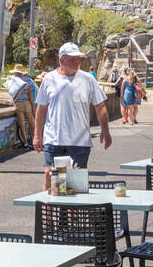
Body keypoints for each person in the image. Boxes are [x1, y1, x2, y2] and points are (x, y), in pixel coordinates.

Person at [32, 43, 111, 191]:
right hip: (53, 138)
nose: (77, 62)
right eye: (73, 59)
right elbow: (41, 108)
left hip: (79, 141)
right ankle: (47, 212)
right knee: (50, 174)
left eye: (79, 59)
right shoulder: (49, 79)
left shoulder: (88, 79)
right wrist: (37, 135)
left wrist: (105, 131)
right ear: (61, 60)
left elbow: (100, 106)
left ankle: (71, 214)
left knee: (74, 183)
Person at [5, 64, 37, 149]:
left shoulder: (11, 81)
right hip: (27, 103)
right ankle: (34, 141)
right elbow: (30, 94)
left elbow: (11, 94)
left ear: (15, 72)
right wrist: (33, 107)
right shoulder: (28, 80)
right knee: (32, 124)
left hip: (17, 104)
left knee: (22, 125)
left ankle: (25, 143)